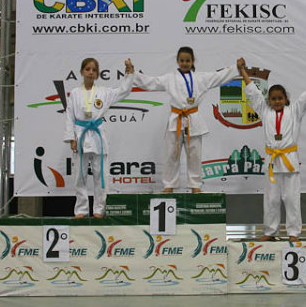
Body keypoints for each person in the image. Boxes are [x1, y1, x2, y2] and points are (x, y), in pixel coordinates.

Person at [239, 62, 306, 242]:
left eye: (280, 98)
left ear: (286, 98)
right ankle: (270, 231)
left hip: (289, 160)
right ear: (269, 100)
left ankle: (293, 232)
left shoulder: (295, 110)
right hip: (272, 161)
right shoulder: (264, 111)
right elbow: (253, 92)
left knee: (291, 198)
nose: (277, 101)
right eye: (273, 98)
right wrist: (242, 71)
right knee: (271, 199)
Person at [134, 47, 244, 193]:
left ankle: (195, 185)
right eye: (182, 60)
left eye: (187, 60)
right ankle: (169, 185)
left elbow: (218, 76)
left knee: (194, 154)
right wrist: (133, 74)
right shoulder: (169, 78)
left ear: (192, 61)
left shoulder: (201, 78)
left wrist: (236, 68)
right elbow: (151, 82)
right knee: (171, 154)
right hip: (176, 119)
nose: (184, 63)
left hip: (193, 119)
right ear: (177, 61)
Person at [64, 57, 135, 218]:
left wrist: (129, 74)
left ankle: (99, 209)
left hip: (97, 135)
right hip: (81, 134)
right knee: (79, 175)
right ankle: (81, 210)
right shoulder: (74, 93)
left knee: (100, 175)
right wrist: (71, 138)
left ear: (97, 74)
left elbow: (122, 91)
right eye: (88, 69)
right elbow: (69, 116)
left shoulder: (104, 92)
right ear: (82, 71)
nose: (91, 72)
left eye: (94, 70)